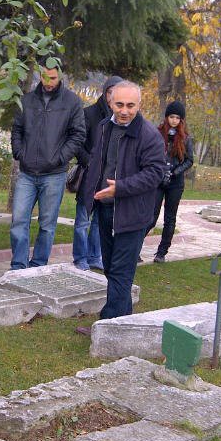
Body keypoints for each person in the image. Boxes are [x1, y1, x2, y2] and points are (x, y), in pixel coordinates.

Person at [78, 80, 164, 322]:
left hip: (132, 214)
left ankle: (108, 323)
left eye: (130, 105)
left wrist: (121, 188)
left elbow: (155, 173)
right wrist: (90, 194)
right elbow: (98, 162)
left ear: (139, 104)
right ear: (110, 101)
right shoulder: (104, 126)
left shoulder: (149, 135)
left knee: (121, 272)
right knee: (111, 269)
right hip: (105, 209)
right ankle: (123, 321)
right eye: (119, 104)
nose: (124, 111)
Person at [9, 62, 85, 269]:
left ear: (60, 76)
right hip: (26, 173)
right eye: (44, 77)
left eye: (52, 78)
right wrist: (19, 152)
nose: (48, 82)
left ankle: (38, 264)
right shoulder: (27, 100)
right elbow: (16, 129)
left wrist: (60, 157)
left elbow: (78, 135)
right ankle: (18, 265)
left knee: (47, 225)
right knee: (18, 221)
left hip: (54, 174)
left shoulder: (72, 102)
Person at [72, 75, 122, 271]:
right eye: (110, 92)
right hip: (89, 176)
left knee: (100, 222)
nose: (112, 97)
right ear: (105, 92)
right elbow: (78, 143)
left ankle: (94, 256)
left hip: (108, 178)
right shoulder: (89, 114)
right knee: (83, 219)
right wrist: (90, 163)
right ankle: (79, 258)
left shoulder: (120, 118)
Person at [149, 100, 194, 263]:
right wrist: (159, 171)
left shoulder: (185, 138)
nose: (174, 120)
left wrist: (174, 173)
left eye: (177, 118)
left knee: (170, 217)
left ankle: (162, 252)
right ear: (167, 117)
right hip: (158, 179)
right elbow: (150, 154)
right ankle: (135, 247)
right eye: (171, 117)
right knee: (150, 215)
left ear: (181, 120)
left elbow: (189, 160)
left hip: (175, 182)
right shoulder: (157, 132)